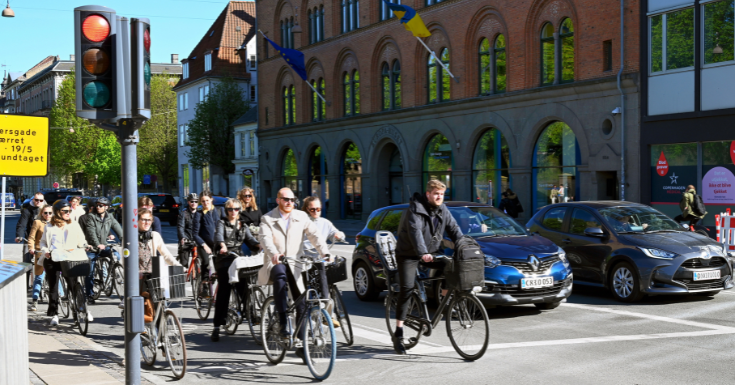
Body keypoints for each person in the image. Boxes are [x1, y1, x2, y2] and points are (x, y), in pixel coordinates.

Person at [257, 188, 330, 359]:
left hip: (296, 263)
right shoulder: (268, 218)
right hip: (276, 260)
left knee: (301, 303)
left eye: (292, 199)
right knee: (280, 278)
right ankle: (283, 323)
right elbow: (265, 238)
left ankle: (302, 343)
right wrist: (274, 252)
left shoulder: (301, 216)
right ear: (278, 200)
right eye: (285, 199)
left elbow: (314, 235)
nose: (289, 202)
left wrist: (324, 252)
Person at [392, 180, 463, 355]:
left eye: (442, 194)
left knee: (450, 265)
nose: (439, 197)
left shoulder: (443, 210)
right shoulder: (414, 210)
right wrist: (423, 252)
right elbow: (415, 233)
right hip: (408, 254)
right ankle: (398, 332)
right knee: (407, 289)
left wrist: (464, 245)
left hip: (429, 253)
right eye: (436, 194)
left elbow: (454, 229)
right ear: (428, 194)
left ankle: (445, 303)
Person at [210, 198, 261, 342]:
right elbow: (219, 235)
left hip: (237, 259)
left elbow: (250, 240)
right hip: (224, 259)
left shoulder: (243, 225)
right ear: (226, 211)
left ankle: (250, 313)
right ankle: (217, 326)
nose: (233, 212)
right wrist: (222, 245)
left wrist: (259, 246)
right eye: (230, 209)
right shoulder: (222, 223)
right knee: (224, 290)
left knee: (245, 286)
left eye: (236, 209)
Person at [40, 200, 89, 326]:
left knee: (73, 284)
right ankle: (54, 314)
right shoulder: (49, 226)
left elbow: (81, 240)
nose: (68, 213)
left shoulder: (74, 225)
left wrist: (85, 245)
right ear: (57, 212)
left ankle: (81, 308)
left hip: (69, 258)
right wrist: (45, 251)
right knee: (54, 287)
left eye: (69, 211)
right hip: (53, 258)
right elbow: (43, 242)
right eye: (65, 211)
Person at [301, 196, 346, 327]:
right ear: (306, 210)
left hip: (321, 259)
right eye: (312, 209)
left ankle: (327, 315)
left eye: (318, 209)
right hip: (305, 261)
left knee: (328, 287)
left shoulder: (325, 222)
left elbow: (336, 232)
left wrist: (339, 235)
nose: (316, 212)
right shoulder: (302, 223)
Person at [137, 209, 182, 322]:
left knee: (160, 302)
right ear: (137, 221)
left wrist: (179, 266)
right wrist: (136, 272)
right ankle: (143, 328)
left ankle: (161, 335)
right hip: (138, 275)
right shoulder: (130, 237)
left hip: (154, 273)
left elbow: (166, 254)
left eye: (149, 220)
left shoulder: (154, 235)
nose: (147, 222)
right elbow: (125, 259)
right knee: (141, 305)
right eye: (143, 220)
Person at [82, 197, 123, 303]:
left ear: (106, 207)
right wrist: (97, 244)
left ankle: (111, 274)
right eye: (97, 205)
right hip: (92, 247)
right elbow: (91, 232)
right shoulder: (91, 216)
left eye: (101, 205)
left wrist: (124, 239)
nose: (98, 207)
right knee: (89, 271)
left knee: (116, 256)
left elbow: (117, 227)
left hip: (103, 246)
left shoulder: (110, 217)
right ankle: (90, 294)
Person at [28, 204, 55, 311]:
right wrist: (31, 248)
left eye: (50, 213)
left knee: (57, 276)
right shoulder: (38, 223)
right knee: (39, 277)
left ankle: (62, 297)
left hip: (54, 253)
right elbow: (31, 237)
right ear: (42, 214)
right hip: (41, 253)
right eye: (45, 213)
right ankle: (35, 300)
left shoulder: (56, 223)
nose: (48, 215)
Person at [16, 192, 44, 283]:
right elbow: (21, 224)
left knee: (52, 263)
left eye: (40, 200)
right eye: (36, 200)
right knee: (27, 263)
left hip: (44, 240)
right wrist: (19, 236)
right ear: (33, 200)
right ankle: (26, 285)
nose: (38, 202)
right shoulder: (27, 211)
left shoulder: (47, 210)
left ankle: (59, 290)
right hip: (30, 239)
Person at [193, 191, 221, 277]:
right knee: (206, 263)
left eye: (207, 200)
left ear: (211, 199)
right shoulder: (199, 214)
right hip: (204, 244)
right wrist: (204, 245)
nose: (205, 203)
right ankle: (204, 284)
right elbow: (195, 234)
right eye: (203, 201)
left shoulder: (219, 211)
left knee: (221, 265)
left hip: (217, 243)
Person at [177, 193, 200, 267]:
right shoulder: (183, 214)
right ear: (188, 202)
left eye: (196, 201)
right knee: (184, 264)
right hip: (186, 240)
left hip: (197, 241)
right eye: (192, 201)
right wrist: (183, 237)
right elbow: (180, 227)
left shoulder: (200, 213)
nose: (194, 203)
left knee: (201, 262)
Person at [238, 187, 262, 255]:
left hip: (257, 237)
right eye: (245, 196)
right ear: (242, 197)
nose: (247, 197)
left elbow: (262, 223)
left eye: (249, 195)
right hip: (245, 239)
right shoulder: (239, 210)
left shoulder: (257, 209)